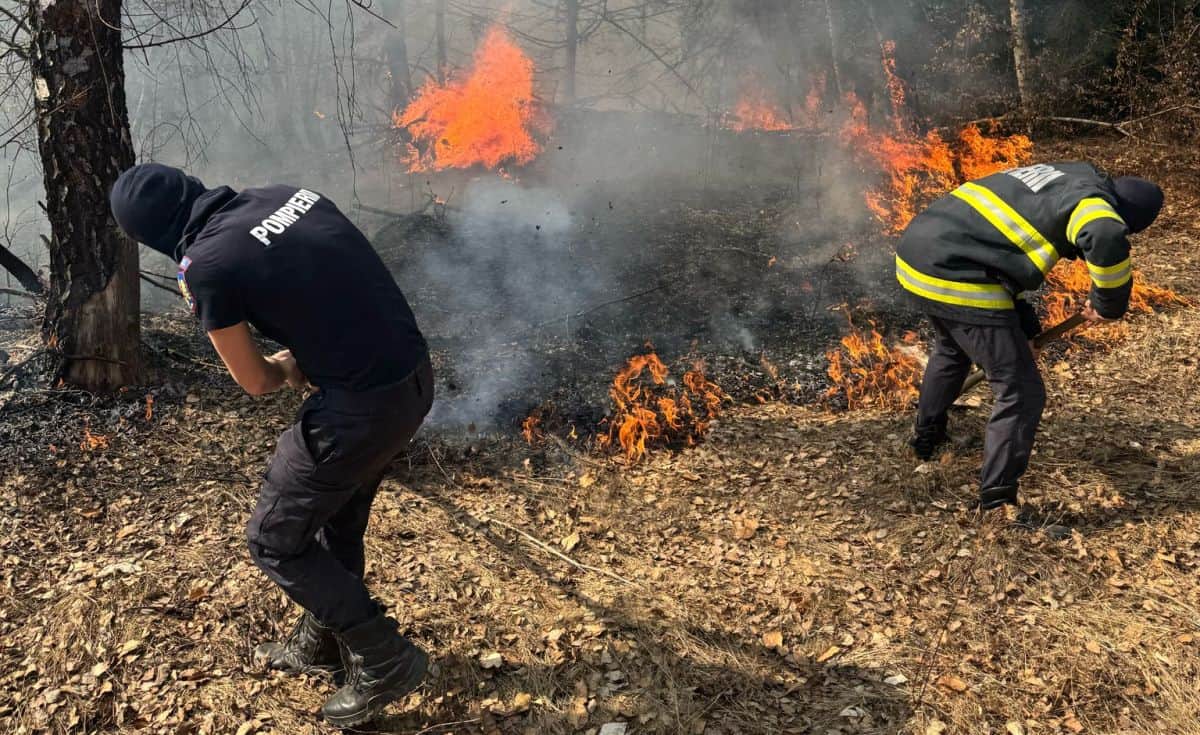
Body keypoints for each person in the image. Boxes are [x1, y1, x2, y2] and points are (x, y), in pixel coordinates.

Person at [110, 163, 433, 727]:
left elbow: (255, 381)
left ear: (149, 234)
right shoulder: (288, 195)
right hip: (411, 379)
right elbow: (341, 286)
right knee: (334, 516)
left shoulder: (205, 265)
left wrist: (286, 365)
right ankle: (323, 643)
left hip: (359, 410)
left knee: (275, 538)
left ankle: (383, 656)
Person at [896, 162, 1163, 511]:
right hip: (956, 270)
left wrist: (1026, 332)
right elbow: (1105, 235)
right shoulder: (1094, 206)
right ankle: (997, 504)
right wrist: (1108, 305)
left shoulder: (1069, 176)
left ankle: (925, 438)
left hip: (920, 252)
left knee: (952, 349)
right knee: (1021, 391)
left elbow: (1003, 257)